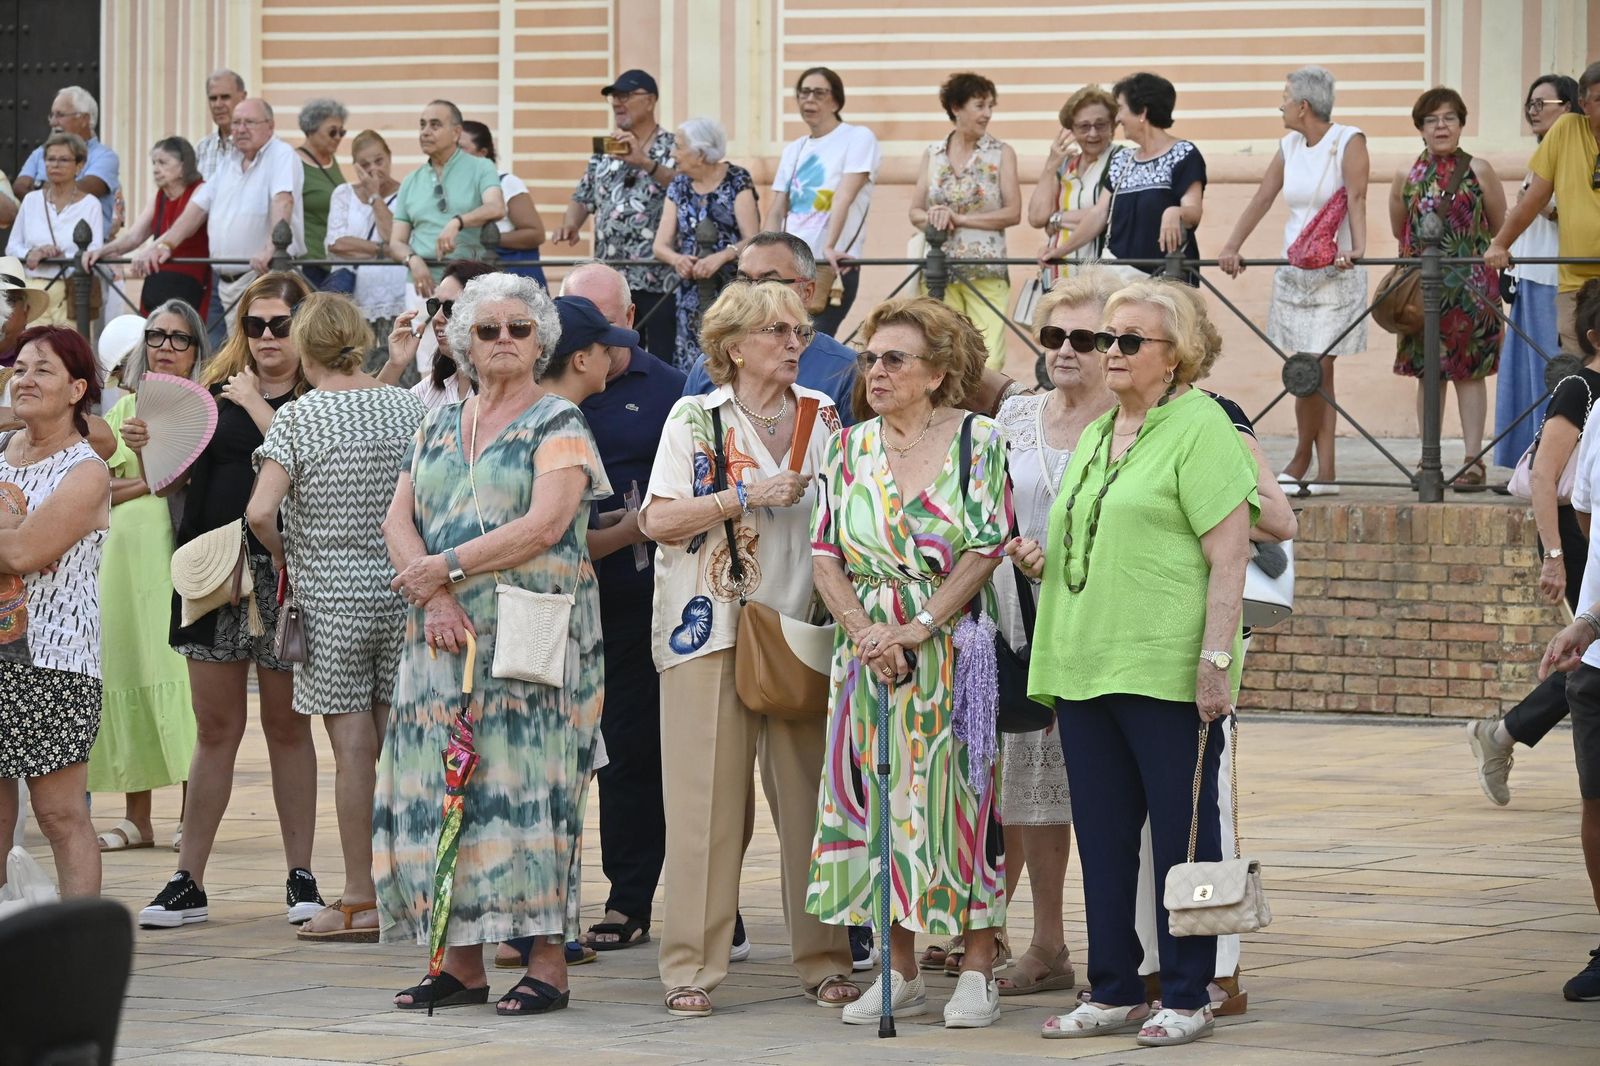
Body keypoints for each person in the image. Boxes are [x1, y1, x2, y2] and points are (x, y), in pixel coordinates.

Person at [1015, 279, 1258, 1047]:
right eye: (1105, 339)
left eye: (1127, 341)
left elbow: (1230, 554)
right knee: (1104, 838)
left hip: (1168, 668)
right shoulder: (1099, 432)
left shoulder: (1201, 426)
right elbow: (1088, 542)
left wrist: (1215, 658)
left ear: (1175, 355)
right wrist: (1040, 559)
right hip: (1085, 665)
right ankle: (1115, 986)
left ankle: (1191, 992)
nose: (1108, 352)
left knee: (1191, 839)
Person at [377, 273, 610, 1016]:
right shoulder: (437, 421)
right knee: (444, 790)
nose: (504, 340)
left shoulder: (559, 420)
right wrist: (437, 594)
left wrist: (443, 567)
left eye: (519, 328)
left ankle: (547, 965)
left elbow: (546, 525)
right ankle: (460, 964)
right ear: (463, 343)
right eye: (487, 329)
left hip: (530, 638)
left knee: (531, 793)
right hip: (441, 634)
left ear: (541, 342)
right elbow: (397, 519)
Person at [640, 281, 855, 1018]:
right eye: (777, 331)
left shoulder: (821, 414)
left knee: (811, 804)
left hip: (799, 624)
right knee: (703, 806)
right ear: (733, 347)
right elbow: (658, 520)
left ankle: (825, 959)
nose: (795, 343)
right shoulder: (695, 418)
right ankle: (691, 967)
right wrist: (745, 496)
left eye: (800, 331)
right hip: (706, 629)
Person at [805, 295, 1007, 1028]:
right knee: (877, 801)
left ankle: (978, 967)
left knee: (961, 804)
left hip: (948, 648)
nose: (876, 371)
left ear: (938, 371)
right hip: (866, 655)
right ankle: (899, 968)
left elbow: (986, 547)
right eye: (869, 358)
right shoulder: (848, 445)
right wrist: (867, 632)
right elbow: (825, 553)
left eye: (894, 359)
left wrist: (917, 629)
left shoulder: (978, 439)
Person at [135, 271, 324, 931]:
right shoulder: (215, 394)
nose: (266, 336)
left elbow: (311, 473)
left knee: (287, 728)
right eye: (254, 324)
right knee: (214, 729)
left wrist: (257, 406)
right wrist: (150, 447)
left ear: (303, 326)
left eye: (280, 324)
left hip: (286, 575)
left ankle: (301, 875)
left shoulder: (316, 399)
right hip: (212, 571)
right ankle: (187, 878)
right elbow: (168, 483)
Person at [245, 292, 423, 942]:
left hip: (330, 598)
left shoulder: (297, 417)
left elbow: (259, 512)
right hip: (403, 588)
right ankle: (412, 890)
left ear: (303, 344)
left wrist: (288, 552)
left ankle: (358, 898)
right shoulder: (407, 407)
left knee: (353, 752)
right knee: (401, 745)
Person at [988, 271, 1121, 998]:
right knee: (1028, 789)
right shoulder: (1015, 415)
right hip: (1020, 620)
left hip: (1102, 619)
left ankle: (1124, 951)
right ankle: (1045, 941)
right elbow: (986, 504)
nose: (1065, 350)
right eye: (1052, 336)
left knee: (1100, 789)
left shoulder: (1132, 420)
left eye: (1085, 338)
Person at [559, 262, 684, 953]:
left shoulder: (671, 389)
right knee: (560, 756)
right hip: (556, 601)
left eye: (602, 321)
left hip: (638, 603)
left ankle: (632, 899)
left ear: (629, 319)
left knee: (636, 753)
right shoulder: (541, 396)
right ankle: (544, 907)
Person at [1471, 280, 1600, 806]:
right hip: (1575, 532)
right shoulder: (1580, 389)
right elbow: (1545, 476)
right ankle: (1502, 734)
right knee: (1590, 653)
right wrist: (1554, 557)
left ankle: (1501, 734)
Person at [86, 300, 208, 853]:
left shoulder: (203, 409)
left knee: (179, 678)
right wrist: (147, 480)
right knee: (128, 670)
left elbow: (189, 481)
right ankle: (138, 817)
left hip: (176, 558)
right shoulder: (123, 410)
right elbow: (93, 486)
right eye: (156, 335)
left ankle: (190, 815)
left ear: (196, 348)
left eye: (179, 338)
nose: (165, 347)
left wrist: (146, 476)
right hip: (119, 562)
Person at [1217, 66, 1370, 497]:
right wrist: (1232, 245)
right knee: (1315, 372)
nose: (1280, 106)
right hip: (1296, 271)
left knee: (1312, 368)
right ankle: (1327, 472)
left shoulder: (1349, 140)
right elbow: (1263, 197)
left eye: (1284, 98)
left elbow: (1357, 196)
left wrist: (1358, 248)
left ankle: (1301, 459)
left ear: (1303, 106)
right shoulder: (1288, 146)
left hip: (1336, 270)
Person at [0, 325, 111, 897]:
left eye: (43, 370)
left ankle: (82, 944)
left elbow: (24, 553)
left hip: (55, 661)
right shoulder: (1, 452)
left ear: (76, 390)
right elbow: (22, 545)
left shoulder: (85, 471)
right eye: (20, 369)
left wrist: (21, 536)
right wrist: (18, 531)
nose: (25, 379)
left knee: (59, 814)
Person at [1534, 281, 1600, 1004]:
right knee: (1596, 795)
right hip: (1596, 635)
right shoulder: (1586, 397)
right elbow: (1564, 492)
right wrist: (1562, 565)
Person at [1390, 86, 1506, 490]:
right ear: (1420, 127)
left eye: (1449, 118)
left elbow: (1499, 227)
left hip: (1472, 292)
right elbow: (1400, 229)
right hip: (1421, 293)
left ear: (1461, 124)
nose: (1441, 126)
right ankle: (1430, 459)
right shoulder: (1406, 174)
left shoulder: (1480, 170)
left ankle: (1473, 460)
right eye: (1432, 119)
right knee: (1428, 375)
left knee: (1470, 375)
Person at [131, 98, 306, 332]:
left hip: (262, 278)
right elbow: (196, 209)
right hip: (221, 285)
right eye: (236, 123)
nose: (240, 129)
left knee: (261, 347)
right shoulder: (229, 161)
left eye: (249, 122)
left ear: (270, 126)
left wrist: (269, 248)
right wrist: (165, 244)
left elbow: (283, 200)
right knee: (219, 352)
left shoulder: (281, 154)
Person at [553, 70, 679, 359]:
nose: (617, 103)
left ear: (650, 101)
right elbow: (583, 195)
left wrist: (644, 162)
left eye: (626, 96)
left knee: (661, 356)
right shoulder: (605, 149)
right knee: (613, 355)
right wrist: (570, 224)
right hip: (612, 279)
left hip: (657, 276)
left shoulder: (673, 147)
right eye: (614, 97)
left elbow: (684, 188)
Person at [1493, 75, 1582, 468]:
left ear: (1568, 108)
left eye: (1541, 104)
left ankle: (1551, 464)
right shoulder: (1542, 155)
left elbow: (1568, 212)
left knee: (1553, 372)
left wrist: (1537, 203)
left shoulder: (1576, 152)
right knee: (1525, 374)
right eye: (1530, 104)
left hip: (1554, 278)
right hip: (1528, 277)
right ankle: (1523, 463)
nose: (1533, 111)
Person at [1042, 72, 1205, 285]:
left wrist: (1176, 211)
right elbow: (1099, 214)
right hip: (1120, 281)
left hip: (1165, 282)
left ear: (1142, 112)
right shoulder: (1123, 159)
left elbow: (1194, 212)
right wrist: (1059, 251)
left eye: (1120, 109)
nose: (1117, 119)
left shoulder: (1183, 153)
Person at [682, 232, 857, 423]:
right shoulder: (712, 363)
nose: (753, 292)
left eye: (769, 282)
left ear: (806, 292)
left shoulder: (844, 371)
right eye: (744, 280)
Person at [1487, 61, 1600, 356]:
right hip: (1576, 284)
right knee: (1580, 371)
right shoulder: (1567, 130)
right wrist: (1500, 243)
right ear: (1584, 104)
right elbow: (1534, 199)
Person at [910, 72, 1020, 369]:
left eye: (990, 106)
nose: (987, 114)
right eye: (980, 106)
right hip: (939, 271)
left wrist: (958, 218)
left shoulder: (1001, 153)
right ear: (956, 107)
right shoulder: (933, 153)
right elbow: (915, 211)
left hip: (986, 269)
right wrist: (934, 217)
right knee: (944, 355)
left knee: (989, 359)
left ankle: (985, 402)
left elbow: (1013, 212)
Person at [767, 67, 881, 338]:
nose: (810, 99)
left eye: (819, 93)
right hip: (789, 267)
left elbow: (845, 195)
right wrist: (765, 251)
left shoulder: (858, 138)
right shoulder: (794, 149)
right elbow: (777, 209)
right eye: (804, 92)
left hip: (830, 266)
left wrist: (829, 246)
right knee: (780, 344)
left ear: (836, 101)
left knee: (813, 343)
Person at [652, 117, 760, 372]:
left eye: (679, 146)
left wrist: (722, 256)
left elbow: (754, 239)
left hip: (732, 292)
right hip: (690, 293)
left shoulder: (737, 179)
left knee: (733, 358)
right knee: (693, 364)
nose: (672, 153)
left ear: (700, 154)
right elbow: (660, 245)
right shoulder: (678, 185)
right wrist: (677, 259)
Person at [387, 101, 504, 300]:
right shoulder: (410, 180)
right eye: (422, 125)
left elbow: (496, 207)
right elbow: (396, 242)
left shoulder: (481, 167)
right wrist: (412, 260)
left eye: (435, 125)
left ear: (456, 132)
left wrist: (457, 222)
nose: (425, 132)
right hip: (422, 284)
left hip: (469, 284)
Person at [85, 137, 211, 318]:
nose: (155, 169)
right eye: (154, 163)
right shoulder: (160, 196)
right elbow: (134, 236)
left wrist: (148, 251)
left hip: (190, 282)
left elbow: (180, 228)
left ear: (183, 166)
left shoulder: (200, 190)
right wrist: (101, 251)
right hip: (158, 280)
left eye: (163, 163)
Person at [325, 131, 408, 363]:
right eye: (365, 165)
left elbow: (393, 236)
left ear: (389, 157)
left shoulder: (406, 193)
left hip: (393, 296)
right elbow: (337, 243)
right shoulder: (343, 193)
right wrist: (383, 250)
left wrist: (375, 196)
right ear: (355, 167)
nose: (373, 169)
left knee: (399, 363)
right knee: (358, 364)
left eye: (379, 161)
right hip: (352, 298)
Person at [5, 132, 105, 327]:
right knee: (32, 343)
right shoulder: (31, 200)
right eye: (50, 159)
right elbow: (12, 247)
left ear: (79, 165)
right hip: (34, 291)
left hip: (72, 291)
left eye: (63, 160)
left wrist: (62, 256)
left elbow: (94, 250)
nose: (55, 165)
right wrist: (33, 253)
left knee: (70, 345)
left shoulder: (90, 204)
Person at [1027, 85, 1123, 282]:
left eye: (1101, 125)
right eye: (1084, 126)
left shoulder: (1121, 159)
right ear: (1072, 129)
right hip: (1057, 276)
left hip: (1099, 280)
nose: (1093, 133)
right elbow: (1036, 218)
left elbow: (1110, 213)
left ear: (1112, 126)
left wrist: (1056, 219)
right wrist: (1050, 166)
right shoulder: (1064, 165)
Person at [379, 259, 497, 404]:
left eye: (450, 308)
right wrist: (395, 364)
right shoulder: (434, 386)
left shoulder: (506, 386)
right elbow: (372, 413)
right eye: (435, 306)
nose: (436, 318)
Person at [12, 86, 120, 234]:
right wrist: (53, 189)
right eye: (52, 115)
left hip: (87, 245)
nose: (53, 122)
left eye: (60, 115)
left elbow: (83, 190)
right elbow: (19, 187)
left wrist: (37, 186)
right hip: (40, 243)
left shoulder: (105, 157)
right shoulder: (40, 153)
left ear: (84, 119)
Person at [458, 120, 547, 288]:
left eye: (461, 147)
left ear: (482, 153)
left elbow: (535, 234)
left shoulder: (506, 183)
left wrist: (486, 240)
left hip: (509, 279)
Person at [294, 99, 349, 289]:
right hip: (309, 264)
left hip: (333, 262)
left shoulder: (332, 161)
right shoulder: (294, 162)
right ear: (311, 129)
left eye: (342, 132)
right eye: (332, 131)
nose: (338, 137)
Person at [195, 70, 248, 181]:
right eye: (213, 99)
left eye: (225, 97)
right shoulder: (202, 149)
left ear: (243, 98)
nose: (218, 105)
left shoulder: (260, 147)